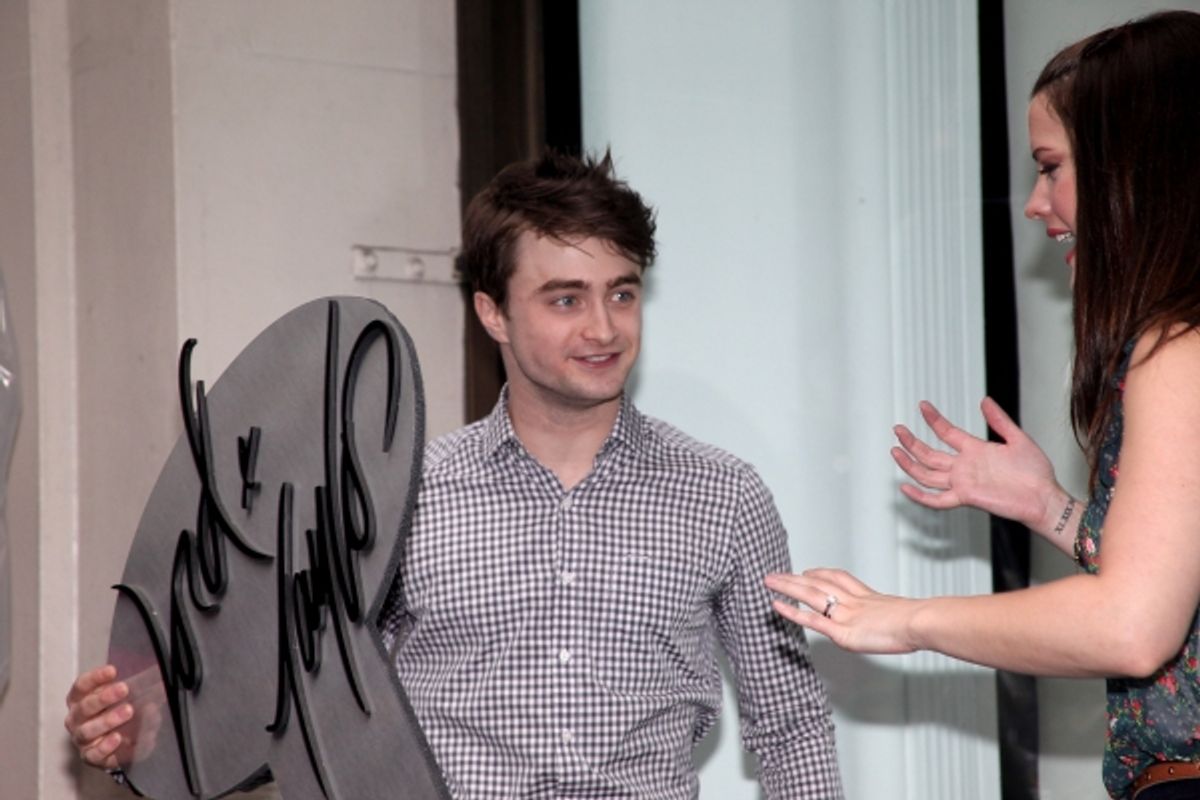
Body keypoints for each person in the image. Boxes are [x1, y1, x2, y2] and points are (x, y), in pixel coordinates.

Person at [65, 151, 844, 798]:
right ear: (493, 313)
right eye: (565, 299)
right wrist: (135, 729)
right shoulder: (400, 493)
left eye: (622, 294)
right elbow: (274, 692)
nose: (603, 327)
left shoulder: (722, 494)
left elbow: (790, 726)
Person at [765, 10, 1200, 800]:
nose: (1037, 204)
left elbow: (1133, 629)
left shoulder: (1180, 345)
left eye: (1051, 166)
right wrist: (1051, 508)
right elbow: (1170, 588)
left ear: (1135, 164)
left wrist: (901, 620)